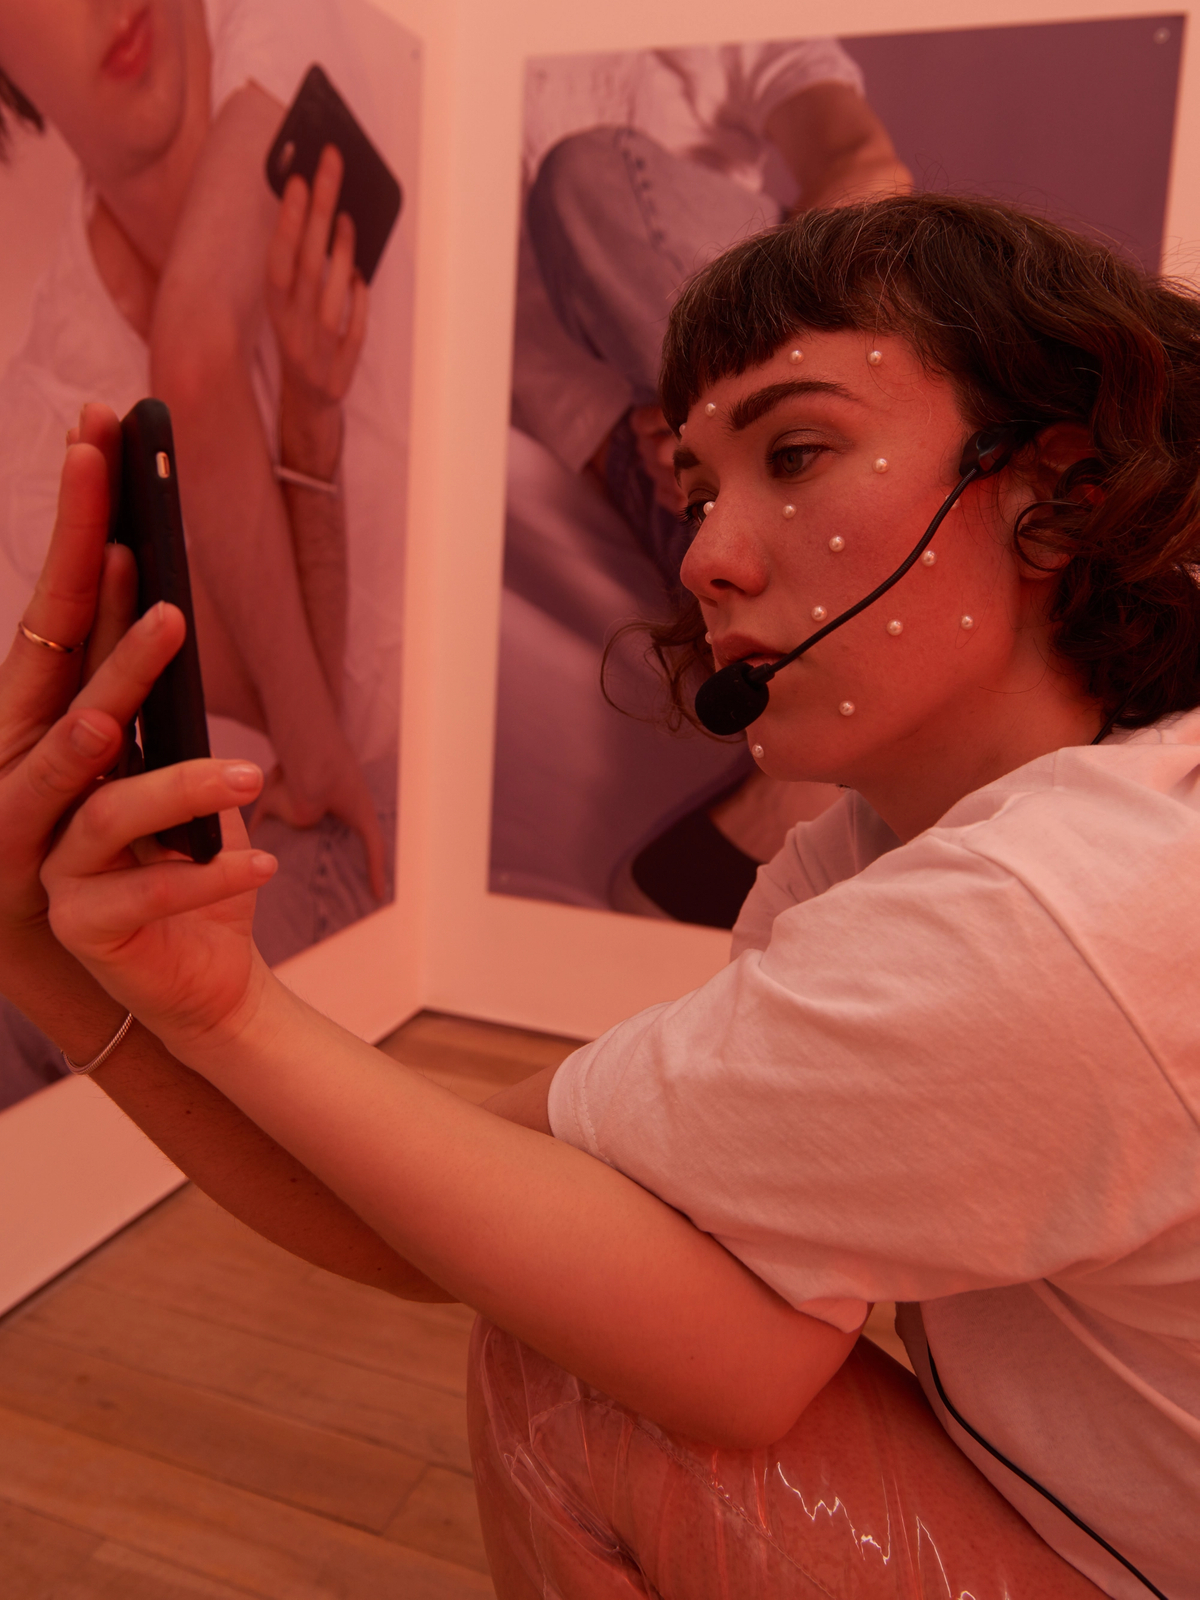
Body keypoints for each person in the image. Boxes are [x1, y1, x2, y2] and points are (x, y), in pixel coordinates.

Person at [3, 193, 1199, 1599]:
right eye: (698, 491)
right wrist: (50, 954)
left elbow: (669, 1346)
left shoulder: (1041, 915)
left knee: (580, 1389)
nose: (703, 558)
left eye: (796, 454)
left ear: (1059, 493)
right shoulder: (887, 844)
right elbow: (600, 1273)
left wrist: (230, 1014)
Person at [0, 0, 416, 966]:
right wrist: (306, 428)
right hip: (338, 822)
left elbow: (194, 350)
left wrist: (221, 368)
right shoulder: (44, 434)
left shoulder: (292, 32)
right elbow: (303, 734)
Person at [494, 39, 911, 919]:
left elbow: (868, 169)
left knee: (586, 179)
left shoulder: (727, 34)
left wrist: (724, 405)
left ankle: (831, 745)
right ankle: (848, 730)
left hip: (745, 343)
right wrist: (700, 458)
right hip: (640, 442)